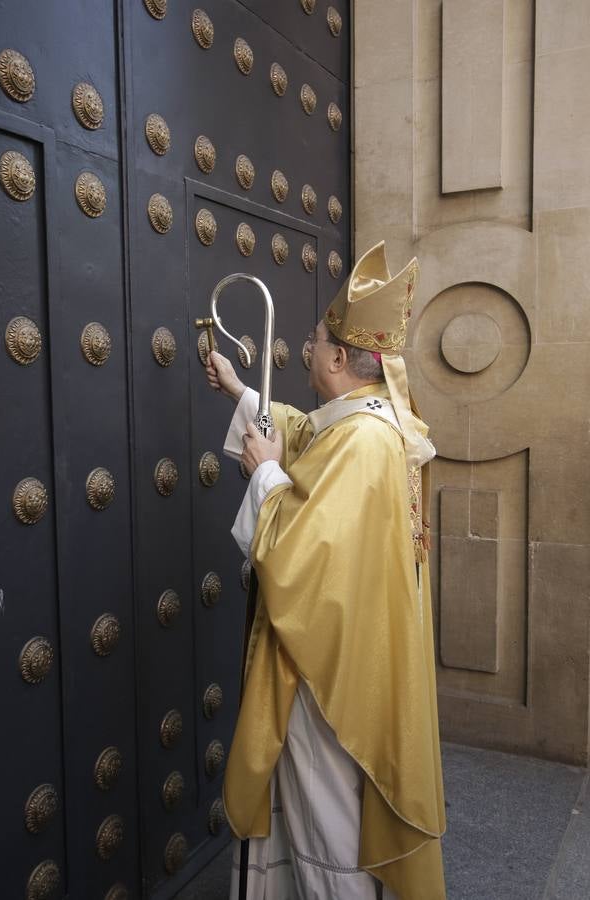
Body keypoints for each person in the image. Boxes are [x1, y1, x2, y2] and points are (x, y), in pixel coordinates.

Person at [205, 241, 447, 900]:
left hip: (332, 678)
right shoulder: (367, 423)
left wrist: (262, 476)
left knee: (328, 831)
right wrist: (240, 390)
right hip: (355, 655)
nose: (307, 350)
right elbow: (300, 436)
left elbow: (305, 557)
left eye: (314, 343)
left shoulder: (363, 443)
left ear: (340, 359)